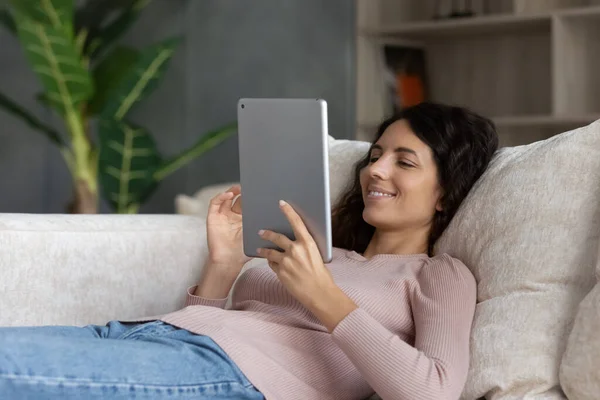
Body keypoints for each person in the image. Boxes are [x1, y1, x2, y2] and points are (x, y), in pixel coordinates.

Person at [0, 102, 498, 400]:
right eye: (374, 156)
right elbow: (215, 323)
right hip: (147, 336)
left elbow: (431, 390)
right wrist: (223, 266)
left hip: (228, 375)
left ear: (444, 192)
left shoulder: (438, 275)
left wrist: (325, 297)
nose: (376, 171)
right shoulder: (322, 250)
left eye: (403, 162)